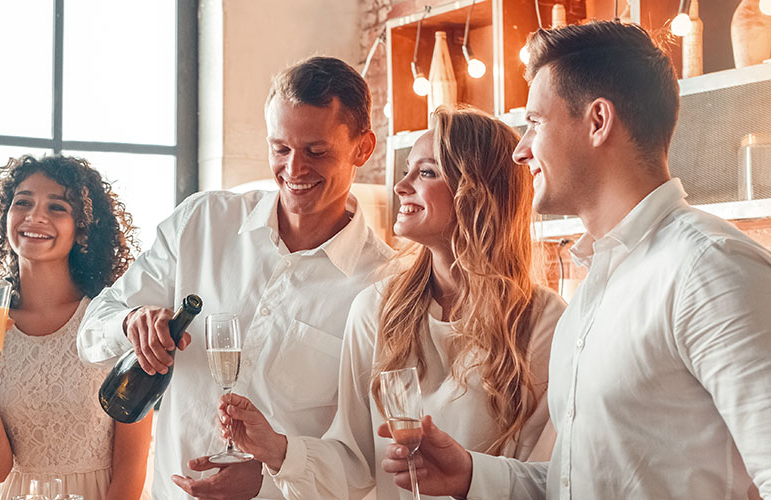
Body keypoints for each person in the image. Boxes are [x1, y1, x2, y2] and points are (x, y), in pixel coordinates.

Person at [382, 21, 771, 499]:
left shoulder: (713, 271)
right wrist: (472, 475)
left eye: (535, 123)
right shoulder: (591, 298)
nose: (522, 150)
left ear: (598, 121)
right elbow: (578, 480)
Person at [77, 56, 394, 500]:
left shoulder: (384, 286)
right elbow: (92, 330)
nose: (294, 170)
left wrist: (270, 479)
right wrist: (131, 322)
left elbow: (366, 462)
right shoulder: (201, 222)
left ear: (363, 148)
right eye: (280, 149)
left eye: (316, 152)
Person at [219, 107, 566, 499]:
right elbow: (355, 463)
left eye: (427, 172)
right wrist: (280, 450)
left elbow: (551, 480)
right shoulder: (377, 309)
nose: (401, 186)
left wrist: (471, 474)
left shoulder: (544, 321)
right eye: (407, 170)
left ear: (480, 191)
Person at [0, 155, 152, 500]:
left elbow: (131, 467)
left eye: (57, 208)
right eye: (22, 202)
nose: (34, 216)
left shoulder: (111, 321)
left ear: (82, 227)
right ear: (4, 216)